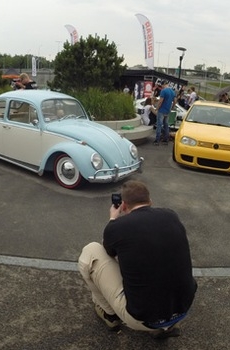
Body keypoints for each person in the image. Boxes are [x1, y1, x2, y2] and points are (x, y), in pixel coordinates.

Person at [78, 180, 197, 338]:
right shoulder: (171, 215)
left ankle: (110, 315)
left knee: (91, 251)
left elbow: (109, 252)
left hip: (142, 318)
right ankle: (168, 326)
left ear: (124, 206)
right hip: (182, 309)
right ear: (150, 202)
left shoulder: (118, 227)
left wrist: (113, 219)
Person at [154, 80, 175, 145]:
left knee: (159, 125)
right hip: (168, 111)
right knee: (166, 125)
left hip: (161, 110)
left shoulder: (163, 91)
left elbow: (160, 101)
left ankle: (157, 140)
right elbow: (175, 101)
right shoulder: (172, 91)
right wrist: (172, 108)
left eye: (162, 86)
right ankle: (166, 140)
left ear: (163, 85)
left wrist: (157, 108)